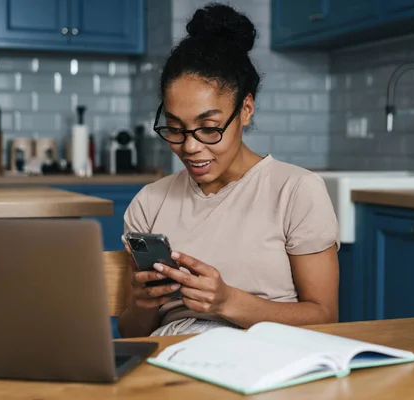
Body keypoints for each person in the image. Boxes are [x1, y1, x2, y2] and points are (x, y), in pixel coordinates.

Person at [118, 2, 340, 338]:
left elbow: (325, 317)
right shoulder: (149, 203)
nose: (190, 147)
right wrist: (144, 304)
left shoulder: (296, 190)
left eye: (209, 127)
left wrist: (227, 301)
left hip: (265, 355)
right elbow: (131, 333)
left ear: (246, 109)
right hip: (172, 361)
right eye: (175, 128)